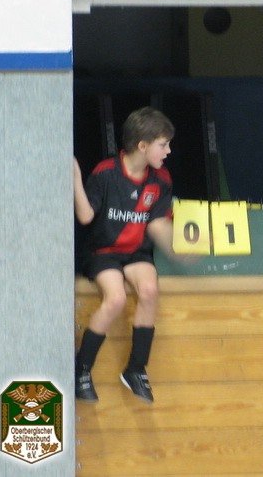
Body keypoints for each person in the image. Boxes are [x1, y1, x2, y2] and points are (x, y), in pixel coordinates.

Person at [73, 106, 176, 403]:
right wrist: (76, 179)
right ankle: (81, 368)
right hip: (103, 252)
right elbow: (85, 216)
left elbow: (157, 223)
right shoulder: (106, 172)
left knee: (149, 289)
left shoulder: (161, 179)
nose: (168, 151)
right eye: (163, 145)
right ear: (142, 146)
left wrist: (178, 248)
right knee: (116, 298)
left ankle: (135, 368)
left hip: (136, 253)